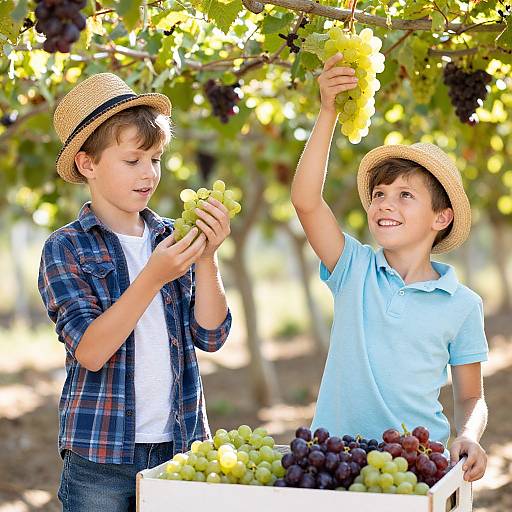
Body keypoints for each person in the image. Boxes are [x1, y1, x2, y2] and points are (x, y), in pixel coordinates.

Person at [38, 73, 232, 511]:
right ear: (88, 164)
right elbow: (90, 351)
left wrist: (207, 256)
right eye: (132, 161)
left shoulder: (169, 235)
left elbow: (212, 336)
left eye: (156, 159)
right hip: (99, 458)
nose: (149, 174)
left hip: (180, 445)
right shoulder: (66, 247)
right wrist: (153, 276)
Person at [291, 54, 488, 482]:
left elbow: (471, 395)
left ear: (441, 218)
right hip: (334, 461)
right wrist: (327, 112)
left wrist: (470, 435)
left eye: (405, 196)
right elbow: (306, 201)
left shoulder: (462, 305)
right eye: (380, 194)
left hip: (415, 466)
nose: (385, 204)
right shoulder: (353, 268)